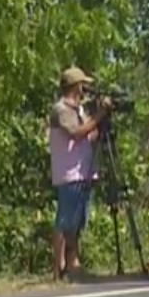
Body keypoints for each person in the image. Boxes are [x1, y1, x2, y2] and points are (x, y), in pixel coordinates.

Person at [48, 66, 108, 281]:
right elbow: (75, 134)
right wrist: (99, 116)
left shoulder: (79, 110)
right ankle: (59, 266)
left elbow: (88, 135)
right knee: (65, 221)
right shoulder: (61, 109)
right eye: (83, 84)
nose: (85, 89)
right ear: (75, 86)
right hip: (69, 173)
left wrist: (100, 125)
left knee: (77, 221)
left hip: (83, 171)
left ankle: (73, 263)